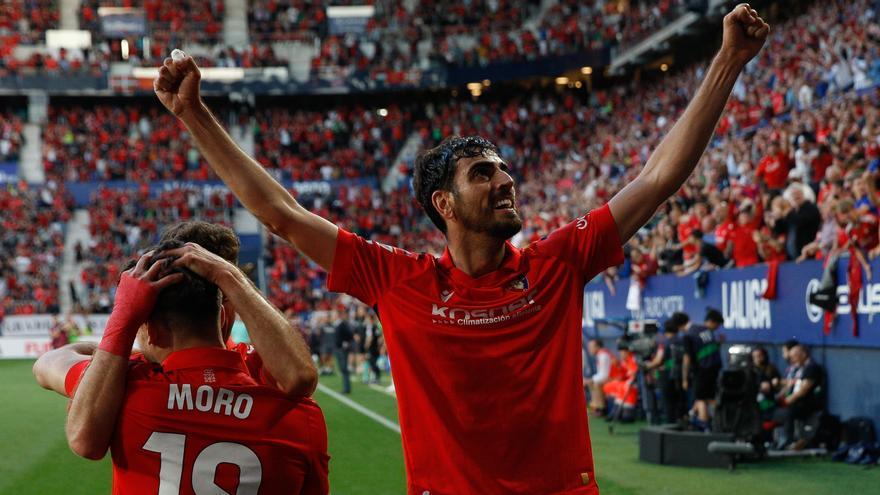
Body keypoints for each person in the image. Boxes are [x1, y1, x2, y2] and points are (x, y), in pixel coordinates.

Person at [153, 6, 769, 492]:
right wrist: (195, 115)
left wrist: (728, 62)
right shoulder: (397, 280)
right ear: (443, 204)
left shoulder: (558, 262)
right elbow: (280, 216)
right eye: (482, 173)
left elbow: (658, 179)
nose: (505, 180)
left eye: (503, 169)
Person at [32, 222, 328, 494]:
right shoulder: (296, 411)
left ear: (151, 329)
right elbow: (301, 378)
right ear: (224, 312)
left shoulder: (129, 388)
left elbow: (49, 364)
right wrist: (228, 277)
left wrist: (124, 326)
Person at [774, 345, 827, 450]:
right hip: (798, 403)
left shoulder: (812, 367)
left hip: (809, 404)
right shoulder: (799, 368)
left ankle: (788, 441)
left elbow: (803, 390)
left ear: (803, 354)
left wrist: (788, 400)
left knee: (787, 412)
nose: (792, 360)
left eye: (794, 356)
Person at [683, 308, 725, 429]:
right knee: (709, 398)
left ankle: (704, 426)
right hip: (714, 370)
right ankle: (718, 422)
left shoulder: (692, 333)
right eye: (717, 324)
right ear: (711, 321)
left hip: (702, 371)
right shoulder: (710, 333)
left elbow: (687, 358)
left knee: (701, 399)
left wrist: (685, 378)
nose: (717, 327)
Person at [659, 315, 688, 424]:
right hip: (682, 377)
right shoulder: (683, 340)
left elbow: (658, 360)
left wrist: (647, 365)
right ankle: (684, 424)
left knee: (669, 404)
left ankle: (670, 427)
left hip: (667, 377)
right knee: (682, 402)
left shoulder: (665, 343)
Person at [602, 341, 639, 421]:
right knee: (610, 385)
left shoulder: (633, 359)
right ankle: (616, 412)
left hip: (634, 383)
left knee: (625, 386)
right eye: (620, 353)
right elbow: (622, 375)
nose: (621, 355)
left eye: (622, 352)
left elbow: (634, 374)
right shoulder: (623, 361)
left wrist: (626, 380)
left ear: (627, 352)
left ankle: (627, 414)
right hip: (625, 382)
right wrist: (618, 366)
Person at [584, 338, 618, 416]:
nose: (589, 349)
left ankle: (601, 408)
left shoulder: (603, 355)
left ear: (598, 347)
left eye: (591, 347)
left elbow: (604, 374)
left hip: (615, 378)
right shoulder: (601, 354)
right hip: (610, 377)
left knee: (595, 383)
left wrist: (590, 379)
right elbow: (601, 373)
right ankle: (596, 406)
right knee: (592, 382)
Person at [333, 309, 354, 394]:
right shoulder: (338, 324)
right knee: (342, 369)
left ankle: (346, 388)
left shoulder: (343, 324)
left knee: (344, 369)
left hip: (341, 349)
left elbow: (350, 335)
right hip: (338, 348)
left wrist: (345, 343)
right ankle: (346, 388)